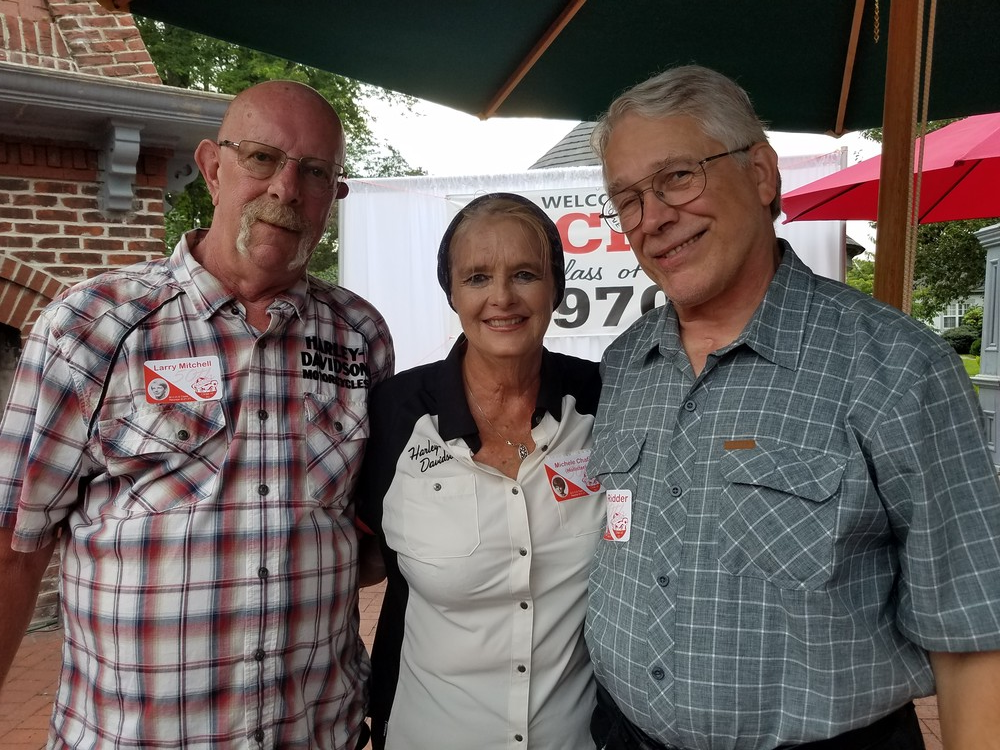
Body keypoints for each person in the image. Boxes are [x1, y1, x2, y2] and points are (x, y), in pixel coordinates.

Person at [585, 65, 1000, 750]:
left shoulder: (898, 367)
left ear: (760, 173)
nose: (652, 218)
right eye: (627, 199)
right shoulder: (626, 363)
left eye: (677, 177)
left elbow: (972, 631)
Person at [0, 80, 394, 749]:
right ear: (213, 167)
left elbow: (365, 534)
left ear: (334, 194)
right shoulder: (93, 324)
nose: (285, 189)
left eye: (315, 172)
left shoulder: (359, 336)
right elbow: (14, 545)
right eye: (263, 158)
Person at [355, 193, 605, 749]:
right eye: (476, 277)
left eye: (525, 274)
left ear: (557, 287)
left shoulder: (603, 400)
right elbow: (354, 557)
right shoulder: (395, 413)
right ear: (451, 292)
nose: (502, 297)